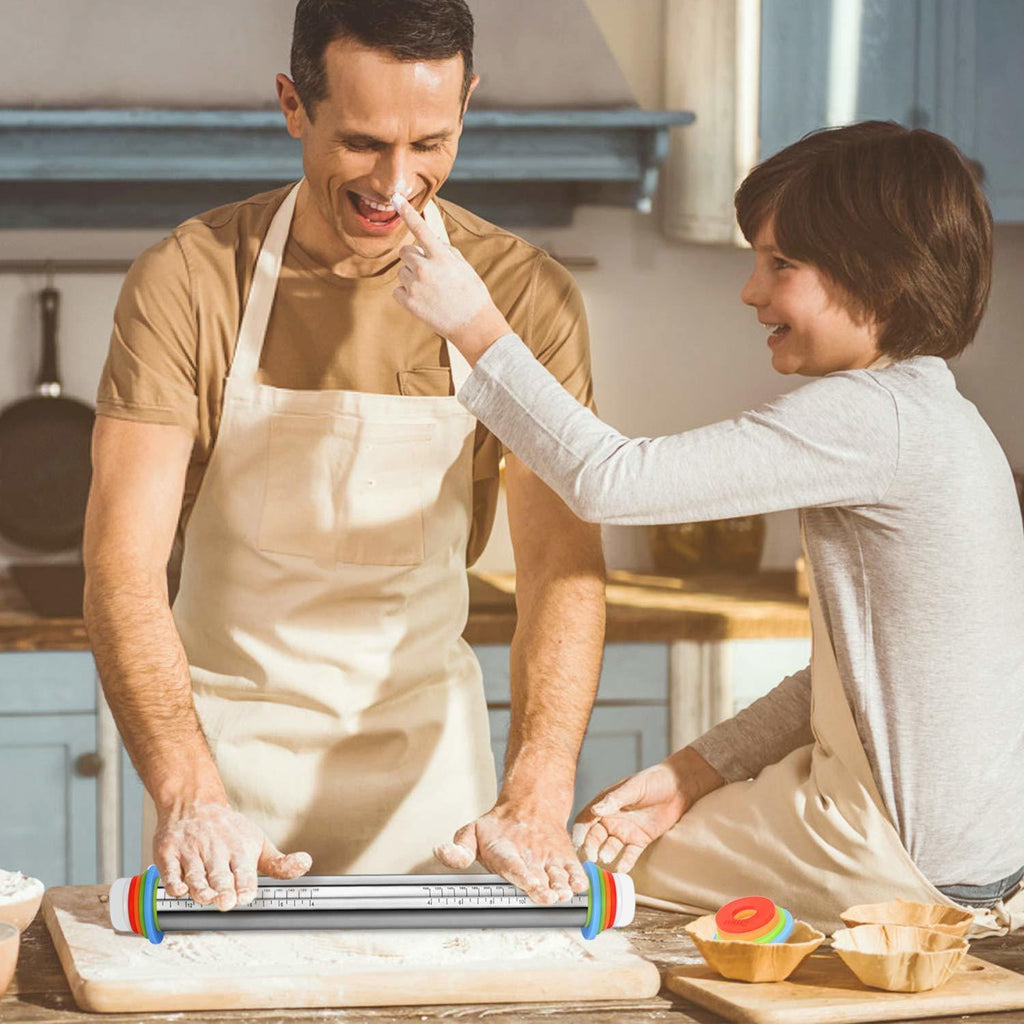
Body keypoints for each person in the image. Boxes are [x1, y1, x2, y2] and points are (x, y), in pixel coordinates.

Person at [391, 121, 1024, 935]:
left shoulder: (872, 417)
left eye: (782, 264)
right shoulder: (947, 421)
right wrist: (693, 772)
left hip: (893, 859)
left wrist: (470, 320)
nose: (751, 291)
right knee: (627, 843)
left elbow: (608, 481)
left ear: (883, 282)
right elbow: (847, 695)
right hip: (983, 872)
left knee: (589, 866)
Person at [83, 0, 606, 911]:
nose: (397, 183)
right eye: (362, 143)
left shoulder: (522, 295)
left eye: (430, 143)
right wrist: (188, 793)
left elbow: (562, 568)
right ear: (295, 105)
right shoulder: (192, 279)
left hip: (432, 787)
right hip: (224, 778)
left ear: (468, 104)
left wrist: (534, 796)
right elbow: (121, 567)